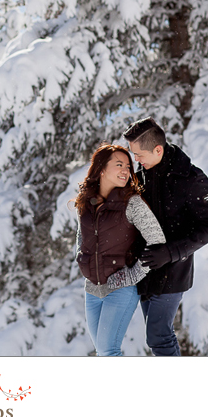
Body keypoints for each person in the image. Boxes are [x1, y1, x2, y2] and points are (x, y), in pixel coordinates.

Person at [122, 117, 208, 356]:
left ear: (158, 149)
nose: (136, 161)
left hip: (174, 269)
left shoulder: (192, 178)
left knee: (158, 335)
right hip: (145, 269)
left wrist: (170, 252)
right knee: (160, 336)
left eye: (139, 155)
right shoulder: (141, 176)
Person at [73, 143, 166, 356]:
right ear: (101, 169)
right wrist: (81, 259)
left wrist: (132, 275)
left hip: (120, 289)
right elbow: (82, 235)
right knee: (102, 352)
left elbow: (157, 241)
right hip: (92, 289)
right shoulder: (86, 202)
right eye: (119, 165)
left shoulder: (131, 203)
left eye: (128, 166)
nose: (126, 170)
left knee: (108, 351)